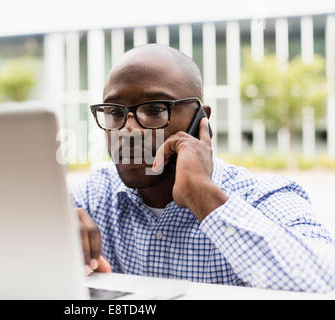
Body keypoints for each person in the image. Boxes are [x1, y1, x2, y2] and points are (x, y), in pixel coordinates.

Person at [70, 44, 335, 293]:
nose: (128, 130)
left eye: (154, 110)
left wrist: (204, 197)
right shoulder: (93, 197)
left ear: (200, 119)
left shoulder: (263, 197)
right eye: (115, 113)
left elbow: (325, 283)